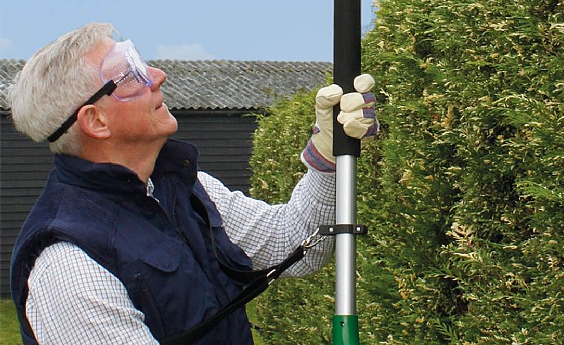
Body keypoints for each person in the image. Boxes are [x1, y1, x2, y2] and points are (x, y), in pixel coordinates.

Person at [8, 23, 378, 345]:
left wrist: (328, 156)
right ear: (96, 121)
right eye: (130, 75)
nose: (157, 75)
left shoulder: (183, 188)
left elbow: (294, 241)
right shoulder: (68, 265)